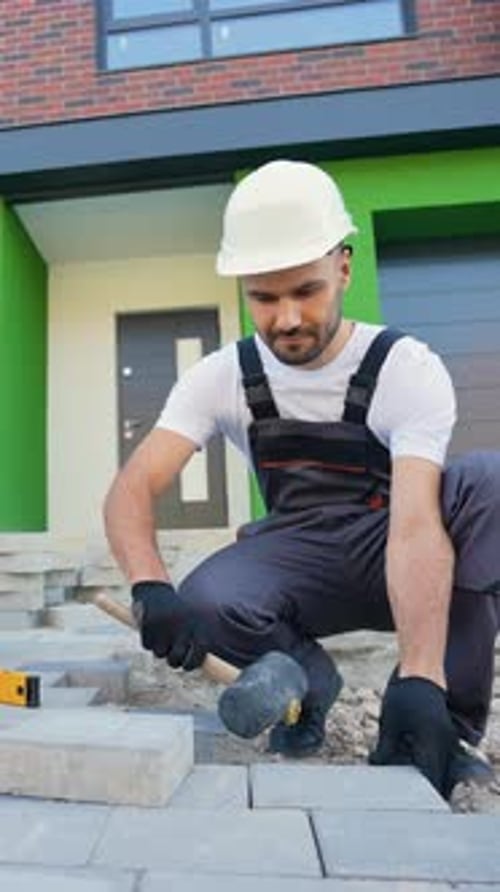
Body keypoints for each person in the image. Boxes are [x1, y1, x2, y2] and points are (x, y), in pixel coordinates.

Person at [104, 159, 499, 799]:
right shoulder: (221, 377)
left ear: (342, 267)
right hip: (302, 556)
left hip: (393, 541)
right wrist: (150, 584)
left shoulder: (403, 366)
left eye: (305, 291)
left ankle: (437, 720)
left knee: (488, 483)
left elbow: (420, 525)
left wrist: (420, 673)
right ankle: (311, 687)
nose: (286, 318)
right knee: (207, 594)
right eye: (264, 297)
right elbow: (132, 487)